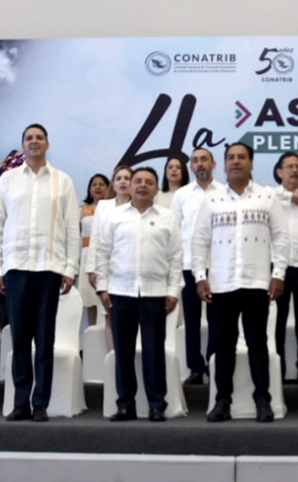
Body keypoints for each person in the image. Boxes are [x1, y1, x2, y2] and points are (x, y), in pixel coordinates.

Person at [0, 123, 81, 422]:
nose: (34, 142)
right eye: (28, 138)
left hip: (49, 268)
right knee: (20, 340)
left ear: (47, 144)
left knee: (45, 339)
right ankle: (20, 401)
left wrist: (70, 268)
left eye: (39, 138)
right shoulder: (8, 180)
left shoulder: (62, 181)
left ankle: (41, 404)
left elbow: (71, 229)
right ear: (22, 146)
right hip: (16, 269)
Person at [192, 142, 288, 423]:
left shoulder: (267, 196)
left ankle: (263, 401)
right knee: (223, 345)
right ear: (223, 165)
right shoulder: (211, 199)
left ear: (251, 163)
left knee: (258, 342)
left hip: (257, 281)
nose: (236, 162)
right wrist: (200, 276)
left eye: (242, 157)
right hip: (221, 283)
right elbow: (199, 241)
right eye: (231, 157)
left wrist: (278, 273)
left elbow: (281, 237)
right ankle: (222, 401)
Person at [95, 167, 182, 422]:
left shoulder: (168, 217)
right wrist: (102, 288)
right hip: (120, 293)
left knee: (154, 352)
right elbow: (102, 253)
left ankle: (157, 404)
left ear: (156, 189)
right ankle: (125, 405)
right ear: (130, 186)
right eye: (138, 181)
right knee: (123, 352)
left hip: (155, 294)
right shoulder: (114, 216)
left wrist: (172, 290)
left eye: (149, 182)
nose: (143, 185)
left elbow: (176, 257)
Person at [169, 147, 224, 385]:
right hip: (188, 265)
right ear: (190, 167)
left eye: (204, 160)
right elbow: (174, 231)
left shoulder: (226, 192)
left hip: (218, 265)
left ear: (214, 164)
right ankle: (195, 367)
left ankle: (213, 364)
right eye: (195, 161)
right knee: (191, 320)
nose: (200, 164)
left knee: (217, 320)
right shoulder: (181, 195)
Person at [273, 152, 298, 383]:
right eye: (289, 166)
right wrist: (290, 198)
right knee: (276, 322)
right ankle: (277, 370)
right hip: (277, 268)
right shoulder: (271, 195)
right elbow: (274, 200)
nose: (295, 171)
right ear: (279, 172)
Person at [88, 165, 134, 351]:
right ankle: (113, 358)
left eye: (127, 178)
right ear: (113, 184)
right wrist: (92, 269)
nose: (123, 181)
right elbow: (96, 238)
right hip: (106, 268)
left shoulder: (138, 206)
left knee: (130, 316)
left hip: (130, 268)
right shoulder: (104, 206)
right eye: (119, 178)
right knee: (109, 314)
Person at [79, 174, 111, 327]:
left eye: (102, 184)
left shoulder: (112, 209)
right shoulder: (82, 210)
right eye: (94, 184)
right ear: (90, 189)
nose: (98, 187)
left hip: (105, 255)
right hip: (86, 256)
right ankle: (92, 334)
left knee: (105, 298)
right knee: (90, 299)